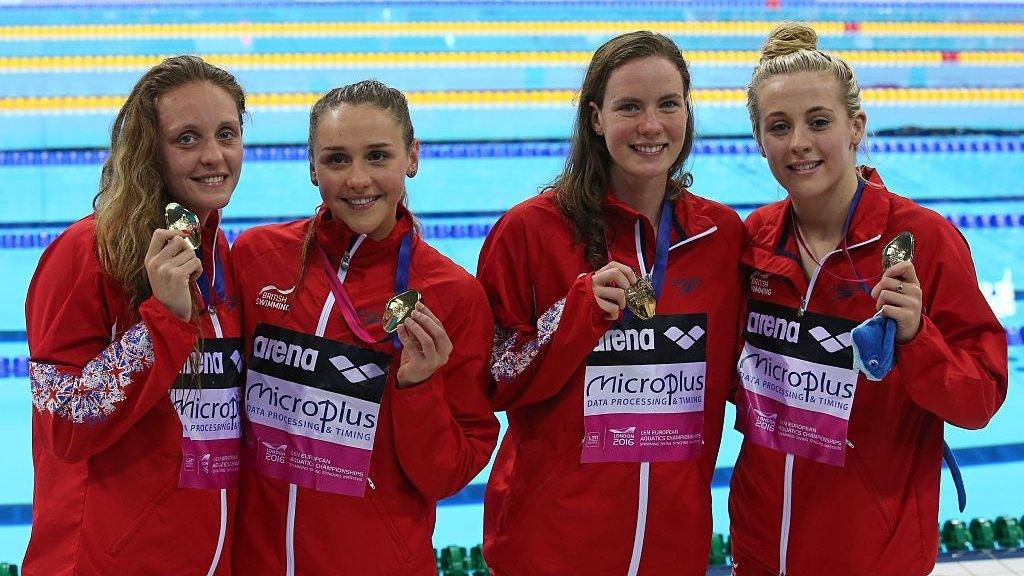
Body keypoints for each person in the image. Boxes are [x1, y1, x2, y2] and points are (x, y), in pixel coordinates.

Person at [729, 22, 1008, 575]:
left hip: (872, 554)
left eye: (819, 122)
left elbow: (978, 402)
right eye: (778, 126)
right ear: (759, 140)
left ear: (856, 126)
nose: (799, 143)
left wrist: (915, 338)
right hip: (760, 546)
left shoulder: (923, 240)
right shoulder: (755, 241)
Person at [477, 31, 745, 575]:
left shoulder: (720, 237)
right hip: (551, 545)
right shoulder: (529, 232)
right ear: (596, 118)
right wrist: (574, 316)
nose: (651, 125)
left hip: (672, 545)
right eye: (630, 107)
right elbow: (493, 381)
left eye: (668, 104)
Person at [230, 80, 498, 575]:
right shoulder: (257, 260)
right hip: (254, 561)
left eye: (377, 156)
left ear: (411, 158)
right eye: (336, 159)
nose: (357, 180)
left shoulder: (451, 295)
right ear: (312, 167)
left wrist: (417, 387)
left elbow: (448, 474)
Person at [24, 55, 246, 575]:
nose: (214, 155)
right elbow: (65, 423)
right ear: (150, 152)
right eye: (187, 139)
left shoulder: (218, 256)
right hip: (100, 560)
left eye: (226, 134)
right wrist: (161, 323)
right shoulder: (86, 252)